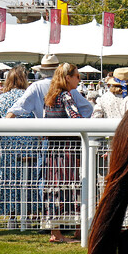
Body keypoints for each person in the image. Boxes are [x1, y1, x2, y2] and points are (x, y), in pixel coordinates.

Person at [0, 66, 39, 228]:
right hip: (29, 143)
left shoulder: (1, 99)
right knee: (30, 180)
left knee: (9, 180)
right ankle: (30, 215)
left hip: (8, 145)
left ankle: (11, 217)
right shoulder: (30, 96)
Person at [42, 63, 84, 243]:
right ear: (68, 78)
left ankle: (56, 231)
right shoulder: (66, 96)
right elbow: (76, 119)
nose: (79, 79)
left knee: (54, 189)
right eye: (77, 76)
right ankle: (77, 230)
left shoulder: (50, 97)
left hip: (53, 151)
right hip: (68, 152)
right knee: (72, 188)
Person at [6, 54, 93, 119]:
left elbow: (18, 108)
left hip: (45, 133)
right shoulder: (68, 88)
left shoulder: (36, 87)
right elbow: (87, 108)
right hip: (67, 136)